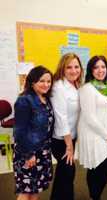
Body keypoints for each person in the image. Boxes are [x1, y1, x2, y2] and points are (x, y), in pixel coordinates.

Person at [75, 55, 107, 200]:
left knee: (102, 168)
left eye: (103, 66)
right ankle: (94, 197)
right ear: (91, 70)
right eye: (96, 67)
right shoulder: (87, 88)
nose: (100, 70)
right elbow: (89, 117)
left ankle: (94, 196)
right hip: (94, 134)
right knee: (100, 168)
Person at [13, 66, 54, 200]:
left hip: (43, 152)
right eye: (42, 81)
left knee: (36, 189)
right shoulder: (24, 100)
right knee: (25, 192)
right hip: (28, 152)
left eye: (49, 81)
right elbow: (19, 131)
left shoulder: (45, 99)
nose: (46, 84)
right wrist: (29, 154)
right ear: (32, 82)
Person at [50, 53, 83, 200]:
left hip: (71, 137)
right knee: (68, 173)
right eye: (69, 67)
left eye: (76, 67)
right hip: (61, 140)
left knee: (64, 173)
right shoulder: (59, 87)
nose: (73, 70)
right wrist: (69, 146)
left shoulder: (75, 85)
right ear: (62, 68)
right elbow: (61, 118)